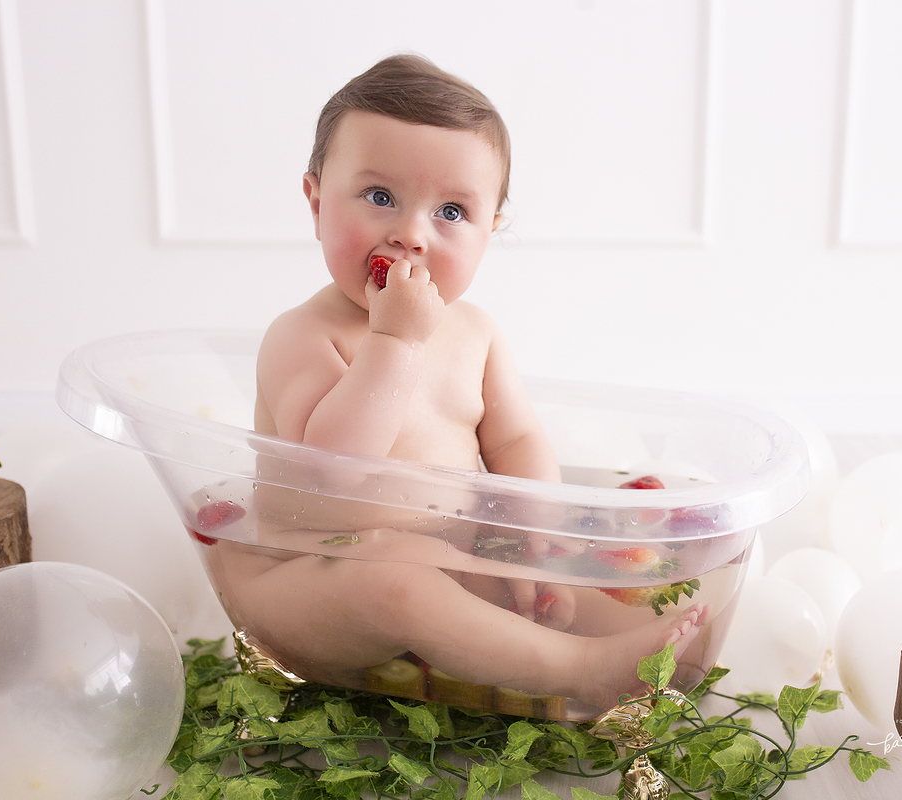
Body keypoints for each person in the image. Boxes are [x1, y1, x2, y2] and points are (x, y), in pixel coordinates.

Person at [225, 54, 706, 711]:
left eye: (450, 210)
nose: (411, 234)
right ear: (315, 202)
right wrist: (396, 342)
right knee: (394, 578)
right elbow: (333, 469)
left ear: (490, 231)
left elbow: (516, 440)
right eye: (380, 197)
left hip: (445, 562)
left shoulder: (475, 333)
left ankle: (654, 657)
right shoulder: (304, 336)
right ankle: (579, 671)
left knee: (555, 594)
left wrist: (538, 540)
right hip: (307, 584)